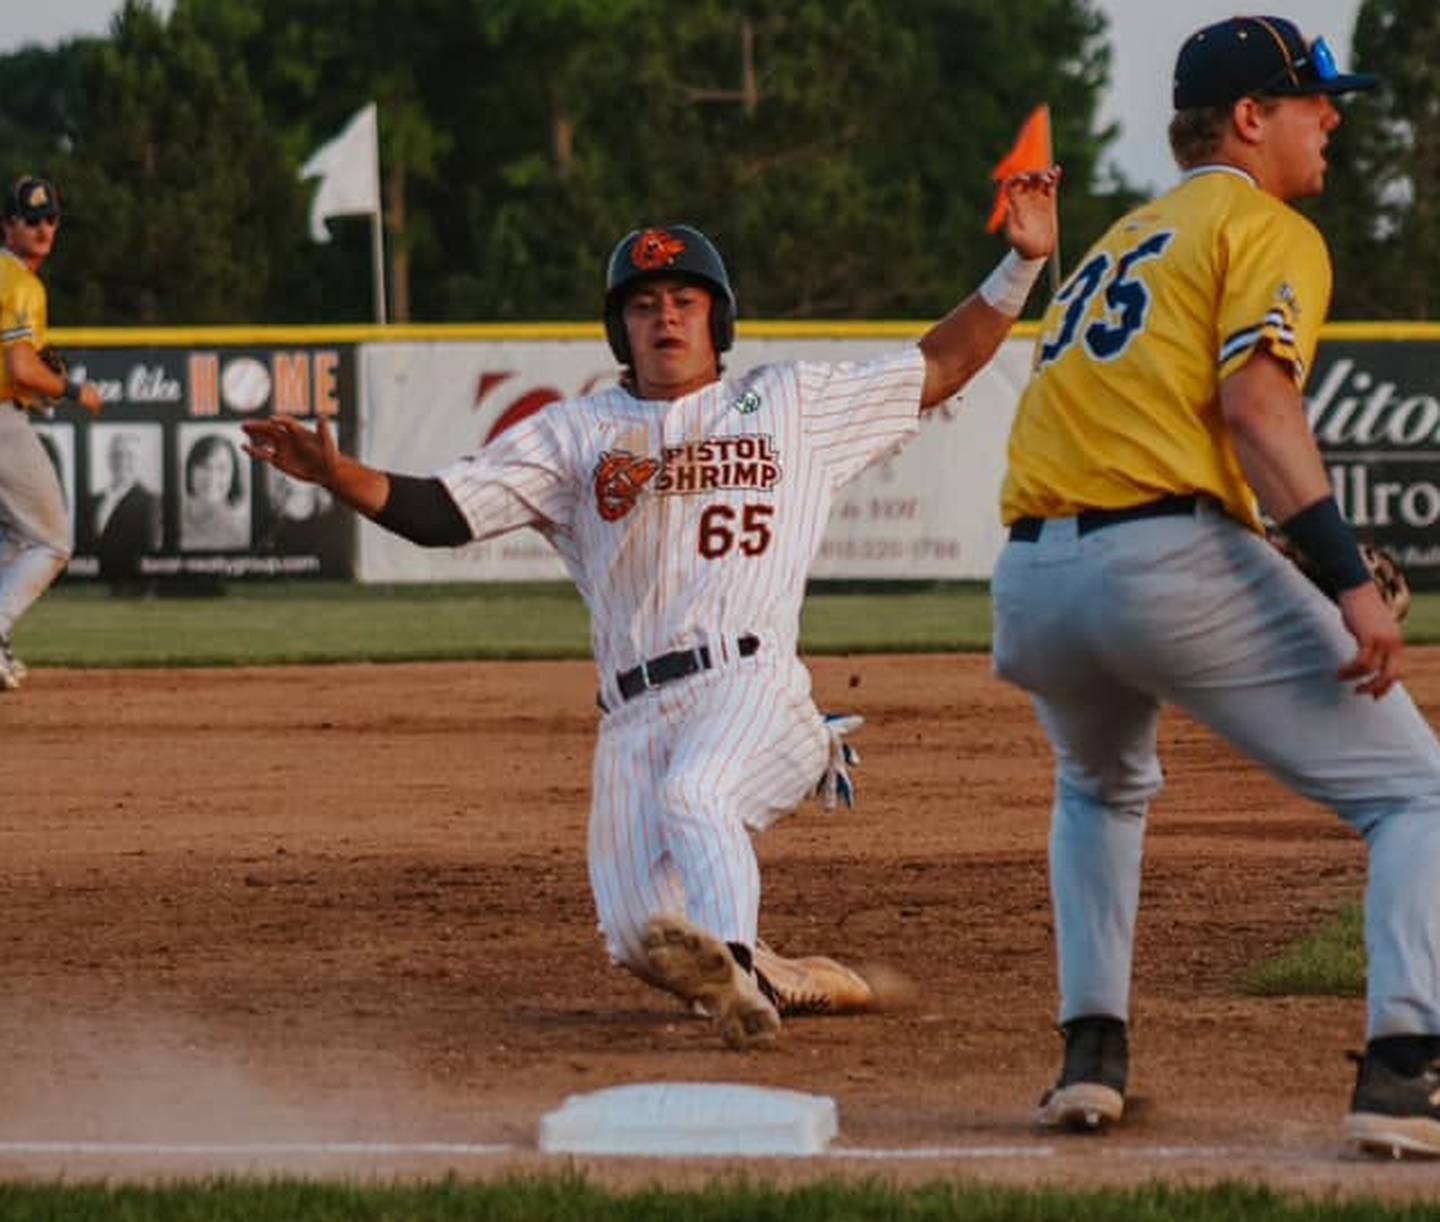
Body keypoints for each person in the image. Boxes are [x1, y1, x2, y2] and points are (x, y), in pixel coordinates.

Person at [245, 180, 1059, 1048]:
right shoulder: (575, 434)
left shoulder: (790, 402)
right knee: (641, 938)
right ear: (618, 328)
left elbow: (939, 364)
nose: (665, 317)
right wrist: (341, 477)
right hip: (632, 714)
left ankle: (739, 976)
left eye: (684, 300)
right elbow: (442, 512)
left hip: (752, 686)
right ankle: (787, 979)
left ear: (718, 320)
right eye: (643, 305)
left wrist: (1024, 262)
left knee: (700, 794)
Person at [991, 16, 1440, 1157]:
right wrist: (1345, 578)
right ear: (1249, 118)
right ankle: (1404, 1072)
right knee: (1416, 795)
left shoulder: (1116, 242)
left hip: (1034, 584)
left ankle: (1089, 1061)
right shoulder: (1264, 224)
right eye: (1312, 99)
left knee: (1098, 786)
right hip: (1160, 562)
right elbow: (1256, 409)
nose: (1332, 116)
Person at [0, 175, 103, 690]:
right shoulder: (19, 284)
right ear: (7, 225)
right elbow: (20, 368)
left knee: (15, 541)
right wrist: (68, 389)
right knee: (52, 542)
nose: (43, 228)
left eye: (50, 218)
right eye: (30, 218)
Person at [90, 429, 161, 594]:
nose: (122, 461)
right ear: (109, 459)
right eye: (117, 454)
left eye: (130, 456)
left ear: (139, 461)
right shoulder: (93, 500)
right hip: (97, 585)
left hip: (135, 586)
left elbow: (151, 548)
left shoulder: (152, 502)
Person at [180, 431, 249, 551]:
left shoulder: (241, 531)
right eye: (203, 466)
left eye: (222, 468)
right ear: (190, 470)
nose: (211, 477)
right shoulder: (168, 518)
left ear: (234, 476)